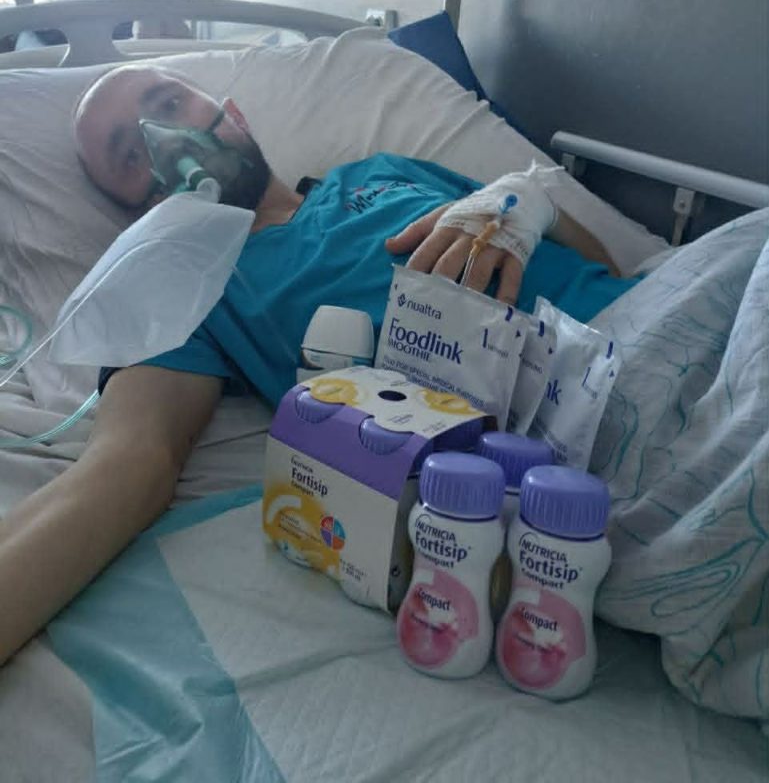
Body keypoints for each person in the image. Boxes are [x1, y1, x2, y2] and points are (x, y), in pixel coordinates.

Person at [0, 65, 637, 666]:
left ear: (233, 114)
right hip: (592, 431)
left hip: (651, 313)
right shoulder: (189, 290)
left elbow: (604, 266)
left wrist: (529, 202)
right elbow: (124, 469)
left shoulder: (377, 172)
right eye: (129, 156)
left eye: (168, 104)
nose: (163, 140)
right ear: (140, 211)